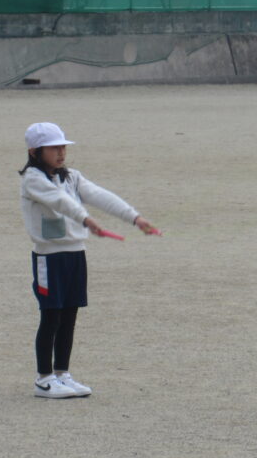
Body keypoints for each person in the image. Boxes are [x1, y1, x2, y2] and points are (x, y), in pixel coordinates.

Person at [19, 122, 160, 398]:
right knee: (51, 316)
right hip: (49, 257)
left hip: (75, 254)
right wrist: (86, 219)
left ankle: (62, 373)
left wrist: (134, 217)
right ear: (35, 152)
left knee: (70, 314)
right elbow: (60, 202)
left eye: (63, 147)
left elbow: (100, 195)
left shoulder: (71, 177)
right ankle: (44, 379)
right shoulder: (32, 179)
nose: (61, 153)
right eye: (54, 148)